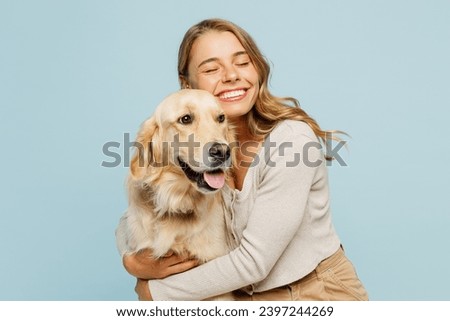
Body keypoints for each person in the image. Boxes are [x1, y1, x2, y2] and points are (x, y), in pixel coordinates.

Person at [119, 18, 369, 301]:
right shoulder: (198, 153)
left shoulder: (292, 142)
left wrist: (154, 291)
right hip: (245, 299)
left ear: (257, 70)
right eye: (212, 68)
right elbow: (138, 214)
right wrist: (131, 260)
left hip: (317, 294)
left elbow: (254, 262)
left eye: (242, 62)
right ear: (186, 83)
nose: (231, 76)